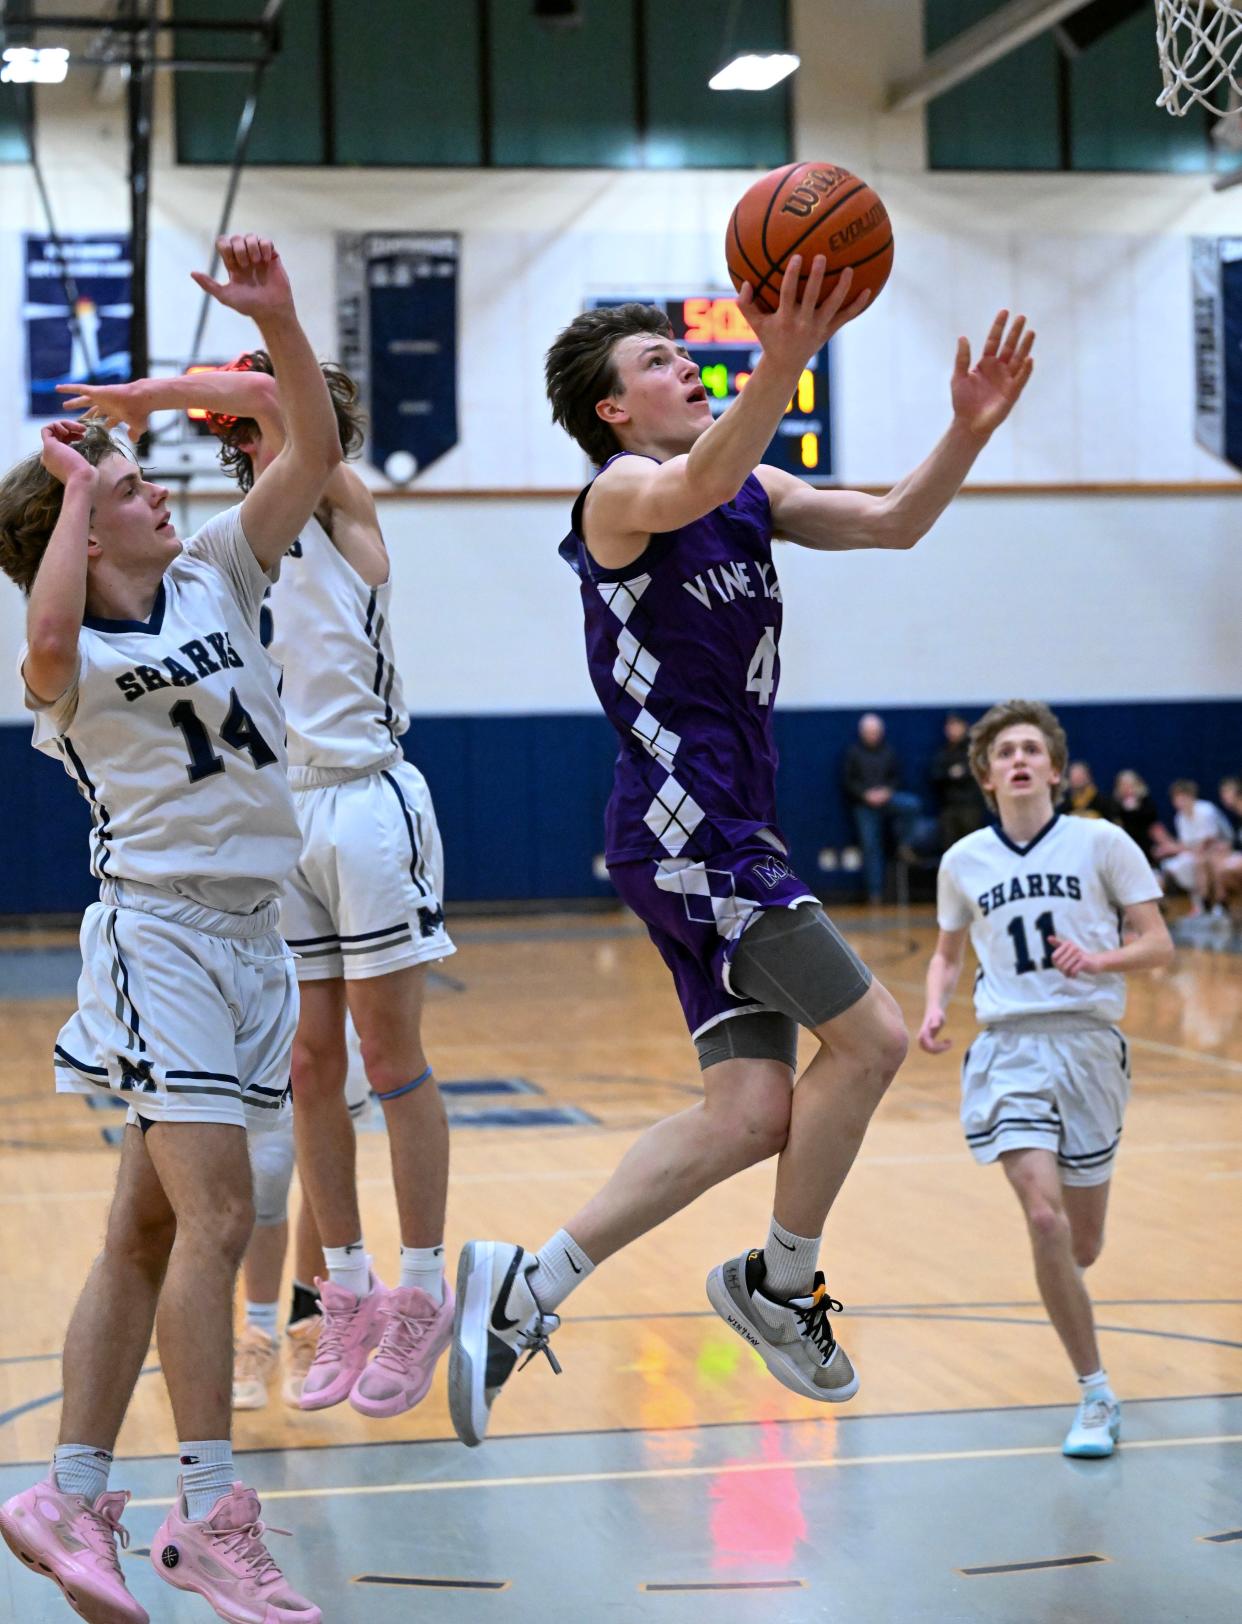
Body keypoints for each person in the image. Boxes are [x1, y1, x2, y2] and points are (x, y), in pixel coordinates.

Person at [446, 256, 1035, 1448]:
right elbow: (694, 479)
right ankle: (778, 1283)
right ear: (614, 408)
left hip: (721, 828)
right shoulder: (617, 494)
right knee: (870, 1036)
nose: (685, 365)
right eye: (659, 360)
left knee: (750, 1111)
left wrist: (966, 430)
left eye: (684, 350)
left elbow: (894, 523)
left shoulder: (752, 485)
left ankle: (525, 1289)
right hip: (689, 827)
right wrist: (788, 352)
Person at [0, 234, 336, 1624]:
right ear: (75, 534)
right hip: (163, 939)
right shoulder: (70, 663)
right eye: (128, 490)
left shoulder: (214, 570)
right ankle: (210, 1515)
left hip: (258, 936)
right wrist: (75, 488)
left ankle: (67, 1497)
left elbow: (306, 446)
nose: (152, 492)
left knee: (143, 1234)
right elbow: (47, 643)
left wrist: (274, 324)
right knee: (221, 1215)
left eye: (138, 483)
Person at [65, 346, 457, 1421]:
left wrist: (156, 394)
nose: (247, 421)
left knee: (389, 1049)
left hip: (371, 797)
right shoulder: (216, 554)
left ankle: (425, 1287)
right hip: (285, 819)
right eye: (234, 414)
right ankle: (349, 1287)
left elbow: (296, 414)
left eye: (262, 404)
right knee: (309, 1063)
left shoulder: (342, 504)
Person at [918, 700, 1172, 1458]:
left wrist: (1100, 961)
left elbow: (1158, 944)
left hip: (1090, 1048)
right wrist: (934, 1005)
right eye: (1006, 752)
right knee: (1042, 1218)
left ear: (1055, 771)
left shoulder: (1103, 841)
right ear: (988, 775)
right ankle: (1095, 1393)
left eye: (1033, 749)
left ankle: (1075, 1301)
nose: (1020, 759)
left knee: (1081, 1244)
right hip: (1008, 1050)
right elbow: (946, 953)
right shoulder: (963, 860)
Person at [842, 712, 924, 901]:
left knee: (912, 804)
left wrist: (887, 792)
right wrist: (865, 795)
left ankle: (905, 844)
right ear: (862, 732)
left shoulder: (889, 751)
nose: (873, 735)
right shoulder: (853, 753)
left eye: (876, 732)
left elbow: (896, 778)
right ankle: (875, 894)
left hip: (887, 798)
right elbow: (848, 781)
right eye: (869, 732)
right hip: (863, 804)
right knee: (871, 847)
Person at [1160, 779, 1230, 916]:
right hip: (1198, 852)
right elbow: (1187, 844)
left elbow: (1210, 840)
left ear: (1191, 796)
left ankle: (1219, 902)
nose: (1179, 802)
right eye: (1176, 798)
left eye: (1181, 797)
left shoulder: (1206, 809)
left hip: (1221, 846)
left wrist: (1176, 848)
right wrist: (1170, 847)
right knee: (1187, 864)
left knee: (1206, 862)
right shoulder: (1179, 817)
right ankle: (1201, 902)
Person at [930, 711, 987, 849]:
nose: (953, 729)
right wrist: (952, 774)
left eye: (956, 725)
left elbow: (977, 773)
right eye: (950, 726)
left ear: (964, 726)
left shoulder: (974, 750)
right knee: (950, 849)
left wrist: (960, 774)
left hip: (970, 807)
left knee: (972, 848)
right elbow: (935, 776)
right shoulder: (942, 752)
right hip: (948, 807)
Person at [1111, 769, 1170, 870]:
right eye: (1124, 785)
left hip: (1147, 847)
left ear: (1137, 785)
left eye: (1130, 785)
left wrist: (1135, 808)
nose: (1127, 788)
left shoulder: (1146, 802)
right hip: (1126, 848)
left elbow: (1152, 822)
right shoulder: (1115, 805)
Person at [1205, 776, 1242, 920]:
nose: (1224, 797)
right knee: (1214, 860)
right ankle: (1218, 904)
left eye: (1227, 792)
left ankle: (1220, 903)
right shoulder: (1237, 817)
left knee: (1222, 867)